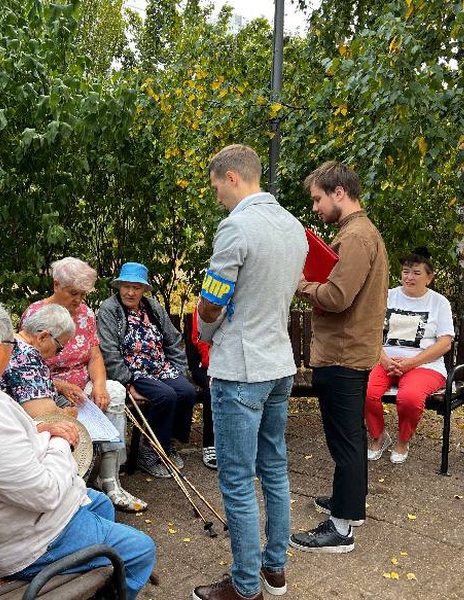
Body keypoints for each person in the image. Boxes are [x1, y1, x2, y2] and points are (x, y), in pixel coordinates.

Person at [0, 302, 156, 599]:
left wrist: (39, 430)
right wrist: (63, 440)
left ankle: (95, 575)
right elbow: (47, 492)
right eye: (12, 344)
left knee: (99, 503)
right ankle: (99, 578)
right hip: (20, 544)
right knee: (141, 549)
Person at [193, 144, 308, 600]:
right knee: (275, 470)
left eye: (217, 186)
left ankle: (244, 587)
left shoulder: (235, 226)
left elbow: (212, 300)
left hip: (241, 368)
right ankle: (273, 571)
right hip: (280, 363)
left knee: (237, 480)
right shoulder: (294, 227)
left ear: (233, 177)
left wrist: (204, 324)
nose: (217, 195)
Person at [289, 161, 388, 555]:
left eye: (318, 199)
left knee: (345, 442)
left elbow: (336, 296)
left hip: (342, 355)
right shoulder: (357, 232)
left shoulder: (356, 237)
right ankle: (348, 505)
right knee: (351, 437)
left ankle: (341, 529)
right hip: (348, 352)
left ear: (339, 193)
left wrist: (300, 284)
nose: (315, 207)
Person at [24, 257, 147, 513]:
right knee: (65, 416)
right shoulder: (36, 315)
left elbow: (95, 355)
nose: (78, 300)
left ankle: (110, 479)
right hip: (50, 389)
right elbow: (26, 367)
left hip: (83, 384)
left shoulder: (86, 314)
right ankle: (72, 486)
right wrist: (59, 385)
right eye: (73, 293)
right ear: (56, 285)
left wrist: (100, 385)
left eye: (82, 294)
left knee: (114, 392)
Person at [97, 262, 196, 479]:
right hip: (133, 371)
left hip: (160, 367)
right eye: (126, 286)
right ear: (119, 286)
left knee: (187, 391)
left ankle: (167, 443)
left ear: (144, 290)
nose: (130, 292)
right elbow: (108, 351)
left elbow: (173, 340)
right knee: (165, 396)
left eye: (137, 287)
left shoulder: (152, 307)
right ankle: (150, 452)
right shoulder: (109, 309)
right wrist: (127, 382)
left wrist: (180, 371)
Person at [364, 247, 454, 463]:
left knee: (410, 398)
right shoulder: (387, 296)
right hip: (384, 361)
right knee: (364, 392)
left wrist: (410, 363)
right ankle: (378, 437)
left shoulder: (439, 303)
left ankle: (402, 441)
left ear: (429, 277)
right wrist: (384, 359)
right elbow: (370, 331)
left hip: (424, 365)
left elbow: (445, 343)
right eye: (406, 271)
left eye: (416, 273)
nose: (409, 277)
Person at [0, 303, 78, 418]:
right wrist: (67, 414)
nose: (57, 354)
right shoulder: (26, 356)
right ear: (43, 337)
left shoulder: (10, 342)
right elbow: (44, 415)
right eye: (59, 348)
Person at [190, 305, 217, 469]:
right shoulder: (205, 305)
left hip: (230, 361)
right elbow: (201, 341)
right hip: (203, 363)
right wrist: (214, 367)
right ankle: (210, 444)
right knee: (213, 390)